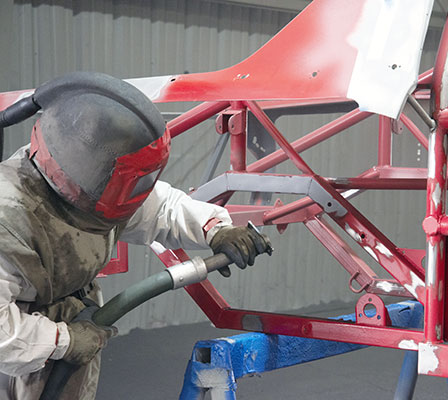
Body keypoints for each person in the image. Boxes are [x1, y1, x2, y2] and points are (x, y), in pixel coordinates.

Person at [0, 72, 267, 399]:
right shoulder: (10, 217)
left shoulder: (101, 185)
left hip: (67, 334)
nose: (139, 192)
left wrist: (215, 229)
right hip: (16, 359)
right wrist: (64, 341)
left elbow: (160, 207)